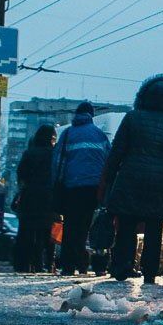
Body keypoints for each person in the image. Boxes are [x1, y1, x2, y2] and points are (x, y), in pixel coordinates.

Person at [102, 75, 163, 284]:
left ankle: (122, 266)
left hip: (130, 179)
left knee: (126, 226)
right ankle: (150, 272)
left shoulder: (132, 118)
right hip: (159, 182)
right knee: (154, 229)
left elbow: (117, 152)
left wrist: (106, 180)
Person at [52, 101, 110, 275]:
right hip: (93, 188)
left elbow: (57, 161)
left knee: (70, 225)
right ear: (91, 115)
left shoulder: (68, 133)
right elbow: (109, 160)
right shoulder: (100, 135)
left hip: (72, 187)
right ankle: (84, 262)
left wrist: (56, 183)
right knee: (86, 225)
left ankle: (69, 265)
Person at [12, 124, 56, 273]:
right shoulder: (53, 154)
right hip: (48, 198)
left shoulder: (29, 153)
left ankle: (22, 264)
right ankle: (41, 263)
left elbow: (21, 174)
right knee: (44, 233)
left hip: (29, 197)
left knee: (26, 232)